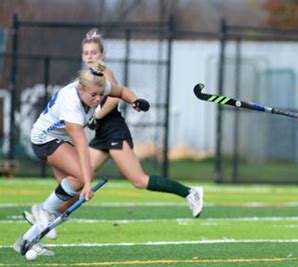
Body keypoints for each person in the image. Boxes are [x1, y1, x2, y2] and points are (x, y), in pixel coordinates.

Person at [24, 28, 204, 241]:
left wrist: (98, 116)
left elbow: (114, 97)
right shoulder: (87, 78)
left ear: (102, 55)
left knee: (136, 179)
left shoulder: (102, 73)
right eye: (86, 53)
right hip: (100, 134)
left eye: (94, 53)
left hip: (112, 130)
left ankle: (190, 192)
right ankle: (44, 224)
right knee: (78, 180)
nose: (90, 57)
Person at [14, 63, 150, 256]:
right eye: (93, 95)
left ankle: (26, 241)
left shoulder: (97, 86)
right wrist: (88, 182)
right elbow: (82, 148)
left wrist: (134, 101)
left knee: (69, 197)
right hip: (45, 140)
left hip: (61, 140)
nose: (97, 100)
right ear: (80, 89)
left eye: (100, 95)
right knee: (80, 177)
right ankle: (41, 210)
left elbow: (120, 91)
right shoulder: (72, 105)